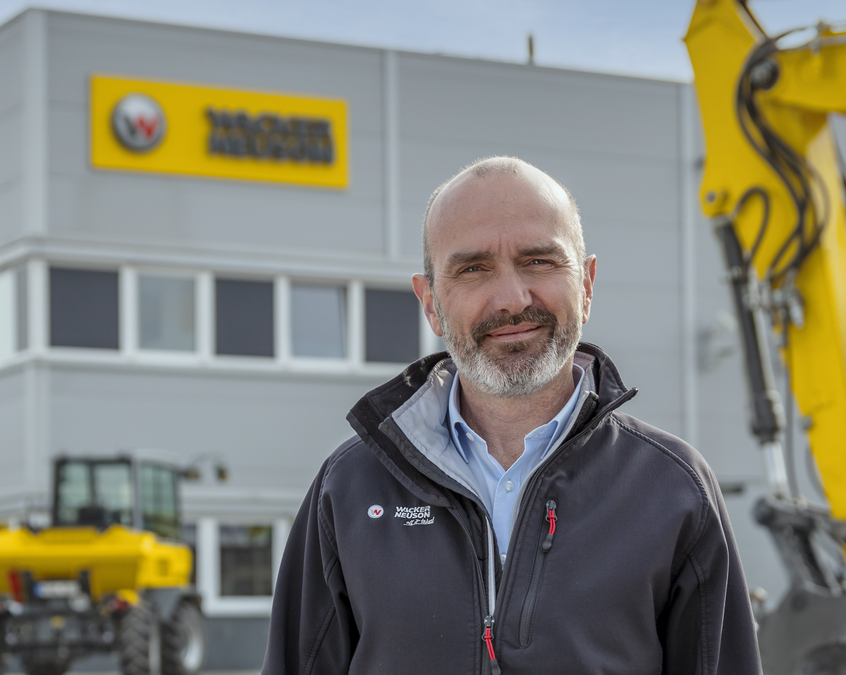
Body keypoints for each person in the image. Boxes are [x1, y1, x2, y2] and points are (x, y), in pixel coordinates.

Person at [262, 156, 758, 674]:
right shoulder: (350, 488)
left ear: (586, 284)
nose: (511, 299)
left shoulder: (673, 489)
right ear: (430, 301)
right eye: (472, 268)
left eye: (539, 261)